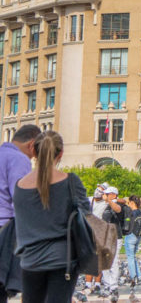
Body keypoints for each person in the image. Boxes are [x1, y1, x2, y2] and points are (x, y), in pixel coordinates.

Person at [13, 130, 88, 303]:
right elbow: (86, 215)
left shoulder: (20, 186)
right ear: (61, 153)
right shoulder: (70, 181)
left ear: (34, 151)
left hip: (29, 261)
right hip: (62, 260)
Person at [0, 125, 42, 227]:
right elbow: (21, 198)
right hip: (5, 225)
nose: (34, 157)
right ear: (31, 145)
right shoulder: (19, 159)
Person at [99, 185, 125, 288]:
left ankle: (113, 284)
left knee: (113, 261)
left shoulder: (118, 204)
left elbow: (118, 210)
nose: (105, 196)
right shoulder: (106, 206)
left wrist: (110, 201)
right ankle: (107, 283)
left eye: (107, 194)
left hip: (115, 237)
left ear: (114, 195)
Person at [122, 196, 141, 283]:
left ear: (132, 203)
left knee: (130, 257)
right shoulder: (140, 212)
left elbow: (127, 224)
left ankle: (133, 277)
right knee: (133, 256)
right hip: (138, 236)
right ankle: (138, 276)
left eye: (129, 203)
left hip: (131, 236)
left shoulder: (131, 213)